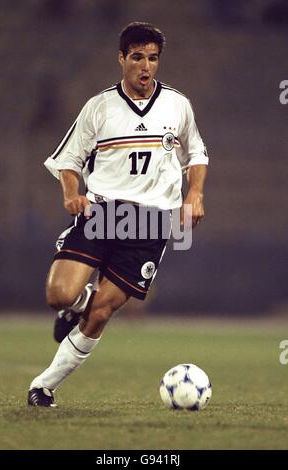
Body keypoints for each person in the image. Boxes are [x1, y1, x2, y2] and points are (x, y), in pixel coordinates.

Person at [28, 22, 209, 407]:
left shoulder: (178, 105)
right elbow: (68, 161)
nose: (146, 67)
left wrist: (195, 192)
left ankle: (43, 387)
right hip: (102, 214)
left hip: (150, 223)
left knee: (100, 315)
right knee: (59, 295)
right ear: (122, 59)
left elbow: (197, 153)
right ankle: (78, 302)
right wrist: (72, 193)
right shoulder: (99, 107)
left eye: (154, 59)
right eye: (138, 57)